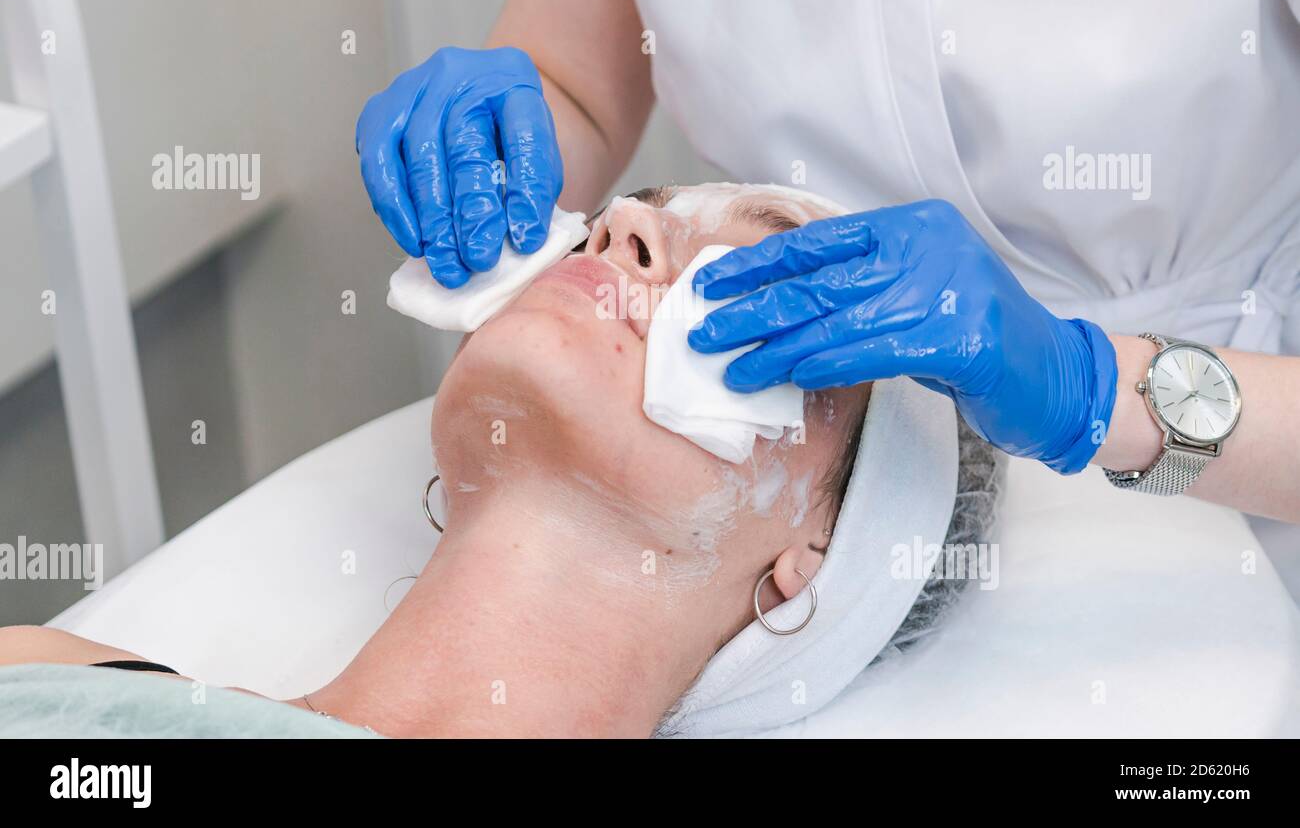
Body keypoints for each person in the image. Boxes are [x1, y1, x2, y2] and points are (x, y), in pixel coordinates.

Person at [355, 0, 1300, 521]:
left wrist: (1090, 387)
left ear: (799, 576)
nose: (630, 227)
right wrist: (497, 150)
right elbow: (576, 80)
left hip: (1243, 462)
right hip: (827, 454)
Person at [0, 184, 999, 738]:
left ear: (819, 548)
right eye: (638, 206)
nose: (623, 226)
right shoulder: (49, 672)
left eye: (756, 282)